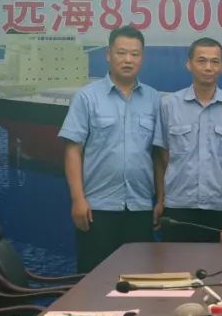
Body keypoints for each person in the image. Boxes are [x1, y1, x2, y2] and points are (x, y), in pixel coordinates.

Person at [58, 25, 162, 272]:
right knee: (94, 279)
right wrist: (78, 200)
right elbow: (73, 150)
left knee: (139, 280)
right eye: (121, 52)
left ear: (142, 58)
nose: (128, 60)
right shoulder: (87, 97)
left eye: (135, 54)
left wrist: (161, 199)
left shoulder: (154, 99)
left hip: (140, 208)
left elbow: (158, 154)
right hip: (97, 209)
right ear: (108, 55)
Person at [153, 37, 222, 242]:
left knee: (220, 261)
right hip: (178, 205)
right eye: (202, 61)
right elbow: (161, 157)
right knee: (176, 262)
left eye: (214, 61)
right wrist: (161, 199)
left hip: (221, 206)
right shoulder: (169, 105)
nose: (208, 67)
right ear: (189, 64)